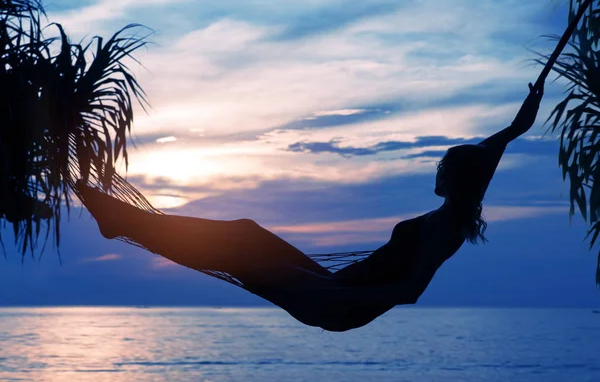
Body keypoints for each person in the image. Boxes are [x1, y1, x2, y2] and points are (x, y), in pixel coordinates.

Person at [77, 82, 544, 332]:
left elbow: (410, 290)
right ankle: (125, 224)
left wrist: (334, 296)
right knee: (244, 231)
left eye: (444, 168)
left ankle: (123, 224)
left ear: (456, 179)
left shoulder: (446, 228)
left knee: (239, 252)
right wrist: (531, 104)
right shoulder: (466, 195)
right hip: (336, 285)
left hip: (336, 304)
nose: (437, 173)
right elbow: (503, 139)